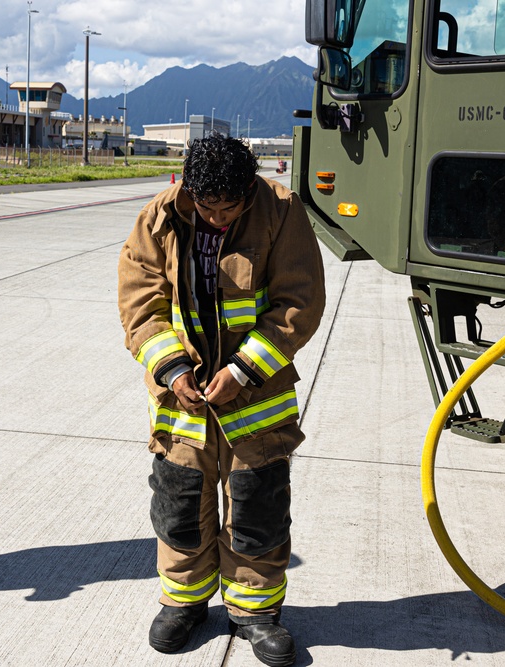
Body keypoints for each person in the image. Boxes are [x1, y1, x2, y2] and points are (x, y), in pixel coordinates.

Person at [118, 134, 326, 666]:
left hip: (254, 400)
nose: (213, 218)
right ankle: (184, 602)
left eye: (226, 209)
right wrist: (170, 366)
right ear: (189, 189)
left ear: (248, 192)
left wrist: (242, 369)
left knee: (257, 506)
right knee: (179, 504)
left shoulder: (281, 213)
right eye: (204, 207)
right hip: (181, 403)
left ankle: (255, 612)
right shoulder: (158, 218)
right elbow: (141, 301)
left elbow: (298, 301)